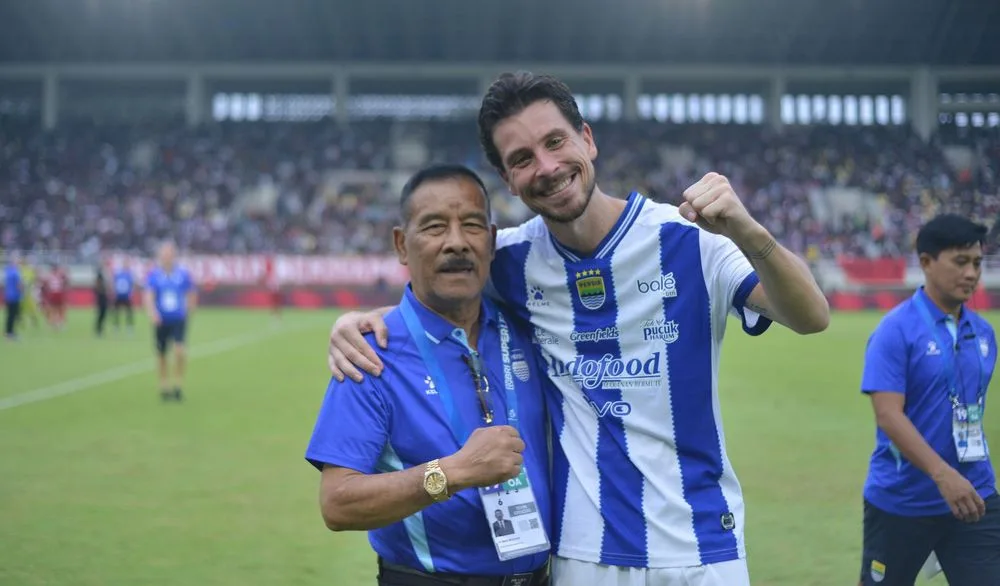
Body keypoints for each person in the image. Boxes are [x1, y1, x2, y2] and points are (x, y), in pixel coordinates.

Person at [327, 72, 830, 586]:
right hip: (583, 558)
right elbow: (439, 286)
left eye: (555, 142)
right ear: (508, 179)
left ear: (587, 139)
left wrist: (748, 229)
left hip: (702, 550)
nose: (546, 167)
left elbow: (811, 316)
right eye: (522, 158)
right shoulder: (511, 260)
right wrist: (359, 323)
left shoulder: (689, 239)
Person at [305, 164, 553, 586]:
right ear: (402, 245)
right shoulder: (369, 354)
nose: (456, 242)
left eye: (472, 225)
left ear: (491, 240)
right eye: (435, 227)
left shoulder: (530, 328)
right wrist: (453, 472)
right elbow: (338, 503)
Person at [857, 214, 999, 586]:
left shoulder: (984, 333)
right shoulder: (894, 331)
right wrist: (942, 474)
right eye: (960, 261)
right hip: (903, 500)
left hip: (975, 496)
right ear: (926, 262)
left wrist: (960, 477)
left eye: (977, 263)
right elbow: (888, 415)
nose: (971, 273)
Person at [144, 242, 197, 402]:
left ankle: (178, 384)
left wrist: (189, 310)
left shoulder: (183, 274)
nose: (166, 257)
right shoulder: (154, 275)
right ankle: (164, 384)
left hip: (178, 318)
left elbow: (191, 293)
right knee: (162, 353)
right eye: (164, 254)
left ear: (174, 256)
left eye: (169, 254)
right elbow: (149, 296)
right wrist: (152, 313)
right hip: (161, 320)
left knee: (179, 350)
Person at [112, 262, 136, 333]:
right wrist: (114, 292)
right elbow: (114, 283)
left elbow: (132, 285)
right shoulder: (118, 274)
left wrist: (131, 293)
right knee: (116, 312)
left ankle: (129, 326)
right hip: (119, 295)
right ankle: (116, 326)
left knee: (129, 312)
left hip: (126, 296)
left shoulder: (129, 275)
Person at [4, 256, 22, 341]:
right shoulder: (15, 272)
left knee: (9, 315)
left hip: (8, 296)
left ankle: (8, 332)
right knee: (13, 316)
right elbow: (19, 285)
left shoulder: (7, 271)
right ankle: (10, 333)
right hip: (15, 297)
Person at [94, 265, 110, 337]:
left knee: (103, 314)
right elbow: (97, 287)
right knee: (101, 314)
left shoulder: (102, 277)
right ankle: (99, 329)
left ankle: (100, 329)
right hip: (101, 298)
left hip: (103, 297)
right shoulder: (99, 276)